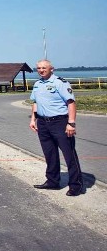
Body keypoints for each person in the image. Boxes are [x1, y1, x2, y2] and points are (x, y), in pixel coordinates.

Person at [29, 59, 83, 196]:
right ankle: (52, 181)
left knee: (69, 155)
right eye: (38, 68)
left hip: (60, 122)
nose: (41, 70)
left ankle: (76, 185)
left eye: (44, 68)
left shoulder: (60, 83)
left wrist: (71, 123)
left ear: (51, 69)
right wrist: (33, 119)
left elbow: (71, 102)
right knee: (50, 154)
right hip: (43, 123)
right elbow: (35, 102)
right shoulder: (37, 84)